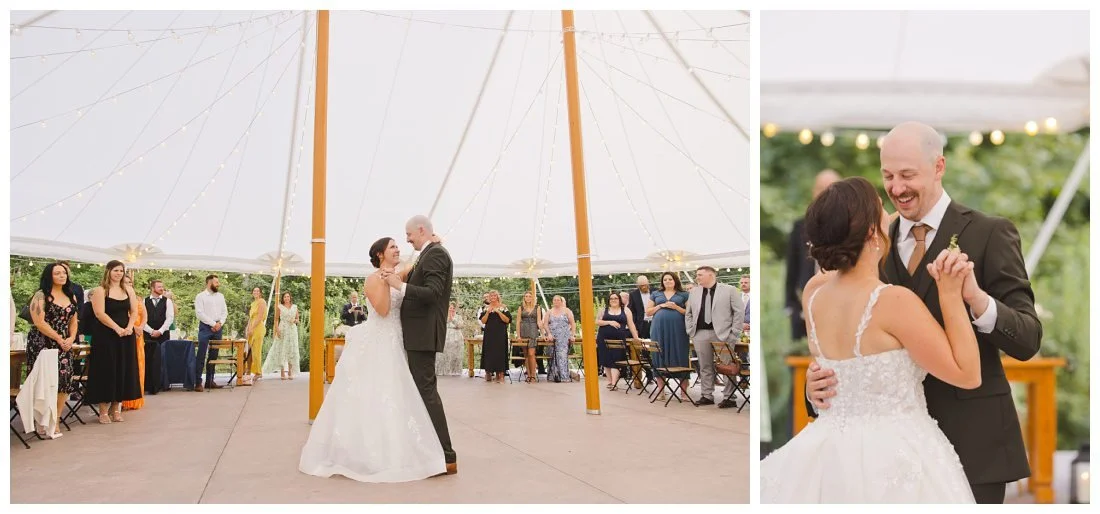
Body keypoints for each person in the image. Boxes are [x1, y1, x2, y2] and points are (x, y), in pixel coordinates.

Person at [803, 123, 1042, 504]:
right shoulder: (867, 243)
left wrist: (977, 299)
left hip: (974, 444)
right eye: (888, 176)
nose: (896, 188)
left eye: (907, 175)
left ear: (939, 167)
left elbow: (1028, 339)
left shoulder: (990, 233)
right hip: (885, 458)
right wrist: (813, 389)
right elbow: (845, 345)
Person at [762, 176, 986, 503]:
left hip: (827, 450)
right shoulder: (893, 302)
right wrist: (951, 295)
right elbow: (967, 374)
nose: (890, 214)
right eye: (882, 209)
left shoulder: (814, 292)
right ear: (870, 231)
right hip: (897, 452)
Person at [300, 237, 447, 482]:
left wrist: (432, 244)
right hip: (381, 340)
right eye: (393, 247)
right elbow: (383, 310)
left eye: (398, 246)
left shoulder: (396, 273)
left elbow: (416, 262)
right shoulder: (373, 279)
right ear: (380, 254)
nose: (398, 249)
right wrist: (390, 284)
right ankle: (372, 454)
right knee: (379, 393)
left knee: (400, 394)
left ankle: (403, 447)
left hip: (397, 339)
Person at [390, 215, 458, 473]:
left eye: (409, 234)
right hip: (417, 334)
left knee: (426, 393)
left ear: (421, 230)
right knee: (421, 393)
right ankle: (431, 451)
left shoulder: (436, 254)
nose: (407, 239)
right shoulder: (429, 252)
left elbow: (432, 293)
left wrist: (401, 286)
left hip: (423, 335)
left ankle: (446, 456)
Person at [25, 262, 80, 438]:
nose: (62, 276)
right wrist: (58, 338)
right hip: (43, 341)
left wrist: (70, 339)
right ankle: (41, 420)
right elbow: (39, 322)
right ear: (50, 276)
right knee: (43, 380)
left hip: (65, 342)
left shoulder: (71, 295)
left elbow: (73, 320)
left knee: (63, 380)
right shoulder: (41, 295)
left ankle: (55, 419)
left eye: (64, 273)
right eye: (57, 273)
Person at [786, 169, 840, 340]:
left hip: (839, 305)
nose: (825, 193)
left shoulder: (850, 225)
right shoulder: (799, 226)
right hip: (804, 305)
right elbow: (791, 268)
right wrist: (791, 306)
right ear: (813, 192)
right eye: (821, 188)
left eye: (831, 188)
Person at [85, 260, 141, 424]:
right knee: (106, 371)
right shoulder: (100, 290)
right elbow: (99, 313)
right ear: (108, 271)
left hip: (125, 335)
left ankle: (116, 409)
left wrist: (130, 327)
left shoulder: (128, 289)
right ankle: (102, 411)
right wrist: (117, 328)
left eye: (121, 271)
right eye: (116, 270)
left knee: (122, 370)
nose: (118, 273)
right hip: (106, 336)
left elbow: (134, 310)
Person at [685, 266, 744, 408]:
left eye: (700, 275)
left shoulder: (729, 290)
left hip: (723, 334)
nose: (697, 277)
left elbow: (739, 312)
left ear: (711, 275)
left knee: (727, 366)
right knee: (705, 365)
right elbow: (689, 313)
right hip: (699, 333)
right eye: (697, 275)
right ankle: (707, 395)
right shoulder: (693, 292)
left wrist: (734, 333)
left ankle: (729, 397)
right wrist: (690, 330)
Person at [645, 272, 690, 401]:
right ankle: (661, 391)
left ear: (675, 280)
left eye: (670, 279)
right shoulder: (655, 294)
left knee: (681, 355)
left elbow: (690, 313)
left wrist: (676, 307)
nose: (668, 281)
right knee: (659, 355)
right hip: (659, 329)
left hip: (679, 329)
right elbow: (648, 312)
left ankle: (683, 392)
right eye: (665, 279)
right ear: (662, 282)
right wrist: (660, 305)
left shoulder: (684, 294)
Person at [595, 291, 639, 390]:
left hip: (619, 340)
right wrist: (610, 322)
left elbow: (631, 324)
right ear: (609, 300)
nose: (613, 300)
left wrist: (636, 337)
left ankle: (614, 383)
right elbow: (597, 321)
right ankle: (610, 382)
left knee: (616, 360)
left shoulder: (626, 310)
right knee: (606, 360)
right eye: (611, 299)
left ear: (619, 300)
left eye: (616, 298)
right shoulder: (603, 310)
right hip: (603, 338)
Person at [194, 275, 228, 391]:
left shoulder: (221, 296)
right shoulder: (200, 296)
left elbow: (225, 312)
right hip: (205, 327)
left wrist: (220, 323)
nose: (218, 284)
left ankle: (210, 381)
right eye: (216, 282)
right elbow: (200, 313)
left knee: (214, 355)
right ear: (209, 283)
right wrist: (213, 324)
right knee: (201, 355)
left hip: (218, 327)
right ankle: (197, 382)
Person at [142, 279, 173, 395]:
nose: (162, 289)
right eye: (159, 287)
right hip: (148, 334)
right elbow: (142, 319)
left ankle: (162, 384)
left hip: (163, 335)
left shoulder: (167, 301)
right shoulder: (144, 301)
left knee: (162, 359)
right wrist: (150, 331)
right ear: (152, 288)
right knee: (148, 359)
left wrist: (160, 331)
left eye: (162, 287)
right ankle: (147, 385)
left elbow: (170, 318)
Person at [121, 275, 147, 411]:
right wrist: (133, 328)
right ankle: (125, 400)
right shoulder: (120, 298)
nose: (128, 284)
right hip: (127, 331)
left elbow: (144, 315)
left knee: (140, 365)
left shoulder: (137, 299)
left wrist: (141, 327)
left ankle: (137, 398)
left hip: (139, 334)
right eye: (125, 282)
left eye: (130, 282)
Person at [264, 292, 301, 380]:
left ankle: (290, 372)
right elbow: (276, 319)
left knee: (291, 350)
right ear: (283, 298)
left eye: (288, 296)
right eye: (285, 297)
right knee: (281, 349)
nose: (286, 298)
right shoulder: (279, 307)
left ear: (290, 297)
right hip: (282, 329)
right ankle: (282, 371)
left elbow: (298, 319)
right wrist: (277, 330)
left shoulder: (295, 307)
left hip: (292, 330)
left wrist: (295, 321)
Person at [542, 295, 576, 383]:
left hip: (564, 337)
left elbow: (572, 323)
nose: (556, 302)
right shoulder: (549, 312)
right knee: (552, 356)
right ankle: (553, 376)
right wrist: (548, 333)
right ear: (552, 302)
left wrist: (572, 335)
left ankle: (564, 376)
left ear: (561, 301)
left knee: (562, 356)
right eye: (554, 300)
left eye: (558, 300)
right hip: (552, 337)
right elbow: (545, 324)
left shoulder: (567, 311)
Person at [479, 290, 510, 383]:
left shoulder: (503, 307)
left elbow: (507, 320)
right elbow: (483, 321)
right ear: (489, 297)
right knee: (489, 352)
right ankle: (488, 372)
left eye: (494, 295)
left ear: (497, 297)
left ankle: (500, 374)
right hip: (489, 334)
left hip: (500, 333)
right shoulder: (485, 308)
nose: (493, 297)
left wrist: (498, 312)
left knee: (500, 352)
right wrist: (488, 312)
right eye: (491, 296)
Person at [514, 291, 542, 382]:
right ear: (524, 298)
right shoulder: (521, 308)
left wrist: (544, 333)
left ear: (532, 298)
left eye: (530, 296)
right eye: (526, 296)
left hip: (533, 331)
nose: (528, 298)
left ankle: (533, 375)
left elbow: (539, 321)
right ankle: (528, 375)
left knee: (531, 354)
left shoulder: (537, 307)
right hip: (523, 331)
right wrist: (518, 336)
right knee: (526, 355)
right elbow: (518, 322)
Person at [245, 287, 267, 384]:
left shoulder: (261, 302)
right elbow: (251, 317)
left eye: (258, 291)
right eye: (254, 291)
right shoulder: (253, 303)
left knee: (256, 351)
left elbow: (260, 317)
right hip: (251, 326)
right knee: (248, 350)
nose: (256, 292)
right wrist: (247, 328)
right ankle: (248, 369)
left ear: (260, 293)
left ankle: (258, 372)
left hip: (258, 327)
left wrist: (252, 328)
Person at [436, 302, 465, 376]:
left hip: (456, 336)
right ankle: (443, 370)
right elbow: (440, 324)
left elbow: (460, 325)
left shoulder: (458, 317)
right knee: (444, 353)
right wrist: (449, 318)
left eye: (453, 308)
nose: (451, 309)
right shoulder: (443, 315)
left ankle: (455, 370)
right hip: (446, 335)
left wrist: (453, 319)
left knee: (456, 354)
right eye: (450, 308)